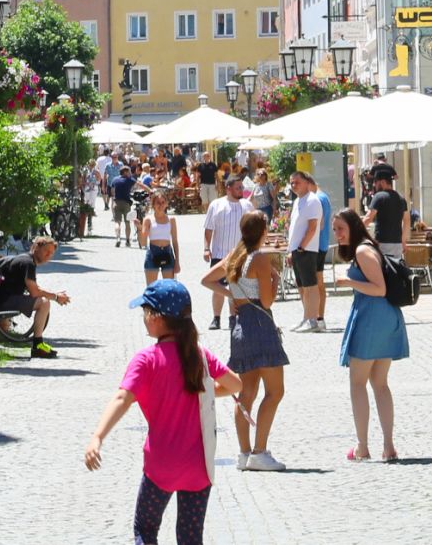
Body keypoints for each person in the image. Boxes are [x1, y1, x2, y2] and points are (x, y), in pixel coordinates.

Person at [84, 279, 244, 545]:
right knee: (190, 537)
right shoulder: (198, 355)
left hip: (162, 466)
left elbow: (122, 398)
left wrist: (97, 437)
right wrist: (201, 390)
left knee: (145, 529)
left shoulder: (146, 360)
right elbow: (236, 385)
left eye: (145, 311)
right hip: (198, 467)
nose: (144, 318)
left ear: (156, 317)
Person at [203, 210, 289, 470]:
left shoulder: (235, 255)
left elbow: (207, 280)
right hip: (260, 322)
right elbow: (267, 301)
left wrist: (232, 295)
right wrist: (275, 280)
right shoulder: (259, 258)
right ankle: (259, 452)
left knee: (246, 393)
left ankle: (244, 453)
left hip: (240, 324)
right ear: (263, 231)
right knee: (275, 391)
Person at [335, 207, 405, 462]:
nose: (337, 234)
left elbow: (379, 289)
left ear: (354, 227)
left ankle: (362, 446)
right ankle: (388, 446)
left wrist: (349, 282)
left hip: (372, 319)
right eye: (335, 229)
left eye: (341, 229)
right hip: (382, 318)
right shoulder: (366, 248)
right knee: (380, 383)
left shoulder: (363, 251)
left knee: (358, 383)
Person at [10, 235, 72, 358]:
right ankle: (37, 345)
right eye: (46, 251)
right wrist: (56, 297)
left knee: (43, 299)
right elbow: (35, 292)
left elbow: (33, 287)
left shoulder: (26, 260)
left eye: (51, 253)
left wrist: (54, 295)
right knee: (44, 303)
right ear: (36, 248)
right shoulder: (28, 263)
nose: (48, 255)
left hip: (5, 297)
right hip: (5, 299)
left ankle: (38, 345)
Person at [287, 166, 331, 333]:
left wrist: (301, 246)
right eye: (292, 183)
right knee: (302, 286)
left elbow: (313, 227)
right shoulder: (298, 201)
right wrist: (291, 250)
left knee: (311, 286)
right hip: (297, 249)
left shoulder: (313, 200)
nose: (294, 185)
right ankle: (306, 318)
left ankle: (313, 320)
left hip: (306, 249)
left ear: (307, 182)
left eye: (297, 182)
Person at [201, 178, 246, 331]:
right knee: (218, 287)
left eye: (242, 187)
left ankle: (233, 318)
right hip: (219, 254)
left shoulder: (247, 205)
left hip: (240, 254)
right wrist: (206, 248)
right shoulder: (216, 205)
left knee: (236, 286)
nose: (241, 190)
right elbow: (208, 228)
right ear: (228, 188)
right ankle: (216, 318)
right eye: (238, 187)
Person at [363, 162, 408, 261]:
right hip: (397, 244)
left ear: (382, 182)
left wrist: (355, 230)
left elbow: (368, 218)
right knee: (395, 268)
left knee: (382, 268)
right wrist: (403, 241)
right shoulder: (401, 199)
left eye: (376, 182)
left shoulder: (379, 197)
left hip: (382, 243)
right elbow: (407, 221)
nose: (374, 185)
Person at [143, 188, 181, 286]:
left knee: (169, 287)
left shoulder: (171, 220)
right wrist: (139, 228)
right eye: (158, 203)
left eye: (163, 202)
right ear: (153, 204)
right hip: (153, 252)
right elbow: (143, 242)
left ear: (167, 204)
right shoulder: (148, 219)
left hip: (167, 252)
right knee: (151, 288)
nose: (161, 205)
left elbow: (175, 241)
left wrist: (177, 261)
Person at [110, 157, 137, 247]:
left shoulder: (115, 180)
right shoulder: (129, 180)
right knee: (127, 222)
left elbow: (112, 191)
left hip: (117, 203)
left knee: (117, 222)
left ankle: (118, 238)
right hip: (126, 203)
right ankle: (127, 240)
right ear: (125, 172)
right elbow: (139, 185)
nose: (130, 174)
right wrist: (149, 190)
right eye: (129, 172)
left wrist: (114, 199)